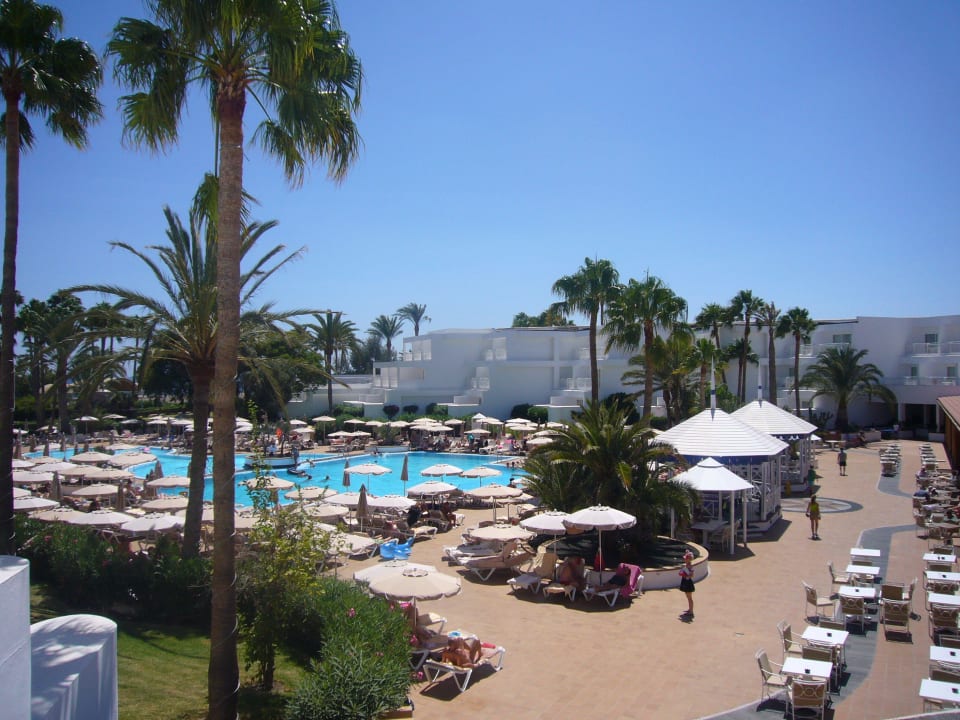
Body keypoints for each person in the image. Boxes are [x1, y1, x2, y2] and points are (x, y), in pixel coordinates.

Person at [679, 551, 695, 618]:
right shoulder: (686, 565)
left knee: (689, 597)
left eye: (686, 558)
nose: (684, 559)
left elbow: (692, 575)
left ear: (688, 559)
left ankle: (691, 611)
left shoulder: (690, 566)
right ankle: (690, 609)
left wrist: (685, 575)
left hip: (688, 582)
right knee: (688, 597)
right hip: (685, 581)